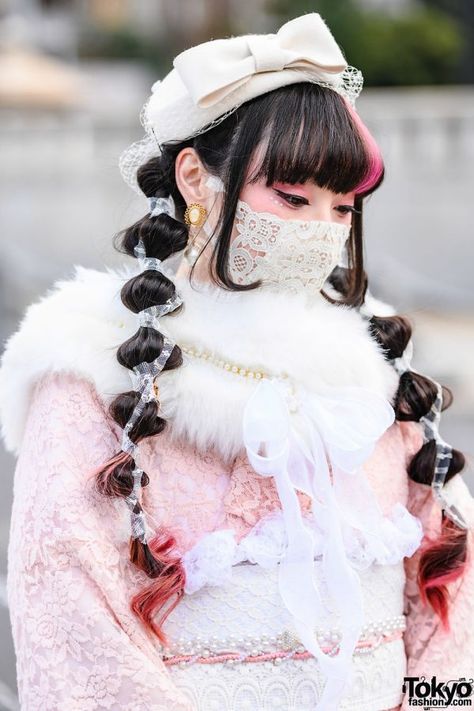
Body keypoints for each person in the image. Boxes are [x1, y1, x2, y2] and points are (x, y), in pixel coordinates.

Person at [0, 12, 473, 711]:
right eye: (291, 197)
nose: (322, 231)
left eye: (343, 207)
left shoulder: (373, 361)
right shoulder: (95, 361)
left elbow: (449, 596)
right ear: (194, 177)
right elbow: (70, 609)